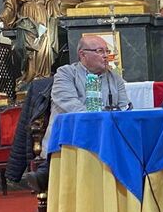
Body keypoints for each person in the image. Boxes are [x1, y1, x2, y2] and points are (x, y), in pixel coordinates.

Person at [26, 35, 130, 192]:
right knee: (78, 125)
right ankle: (46, 173)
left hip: (106, 134)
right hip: (73, 134)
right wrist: (97, 120)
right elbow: (70, 104)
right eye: (100, 51)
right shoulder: (66, 73)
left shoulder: (115, 78)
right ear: (83, 55)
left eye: (106, 51)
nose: (105, 55)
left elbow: (124, 107)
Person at [0, 0, 61, 90]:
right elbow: (10, 6)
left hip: (41, 15)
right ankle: (29, 75)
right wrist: (2, 17)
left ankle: (42, 75)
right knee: (27, 47)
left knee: (41, 44)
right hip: (25, 16)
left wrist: (58, 9)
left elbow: (51, 1)